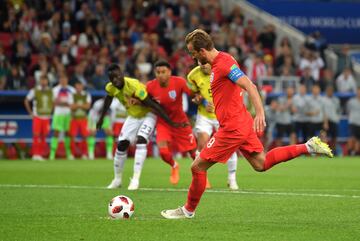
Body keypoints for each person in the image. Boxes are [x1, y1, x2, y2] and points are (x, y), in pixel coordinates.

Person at [161, 29, 333, 219]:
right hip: (241, 122)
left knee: (197, 167)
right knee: (261, 163)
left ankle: (187, 211)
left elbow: (250, 85)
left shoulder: (224, 64)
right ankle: (308, 147)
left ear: (202, 51)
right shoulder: (222, 60)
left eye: (192, 53)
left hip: (233, 127)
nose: (192, 57)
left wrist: (260, 112)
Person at [97, 63, 186, 190]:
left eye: (117, 77)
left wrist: (171, 122)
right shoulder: (111, 87)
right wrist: (101, 118)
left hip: (148, 115)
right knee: (121, 145)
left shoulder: (134, 86)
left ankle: (135, 179)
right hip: (133, 116)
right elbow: (108, 99)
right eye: (112, 79)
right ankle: (117, 179)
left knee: (141, 139)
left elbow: (153, 105)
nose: (115, 81)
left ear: (122, 74)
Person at [187, 62, 239, 190]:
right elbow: (193, 94)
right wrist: (199, 99)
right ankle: (202, 179)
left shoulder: (223, 70)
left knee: (230, 146)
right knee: (202, 146)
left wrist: (219, 104)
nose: (202, 65)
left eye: (205, 63)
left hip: (224, 115)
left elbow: (234, 90)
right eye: (200, 62)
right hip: (204, 116)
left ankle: (232, 179)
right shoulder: (192, 75)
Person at [146, 59, 197, 186]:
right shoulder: (150, 86)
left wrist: (198, 97)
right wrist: (135, 100)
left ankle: (201, 177)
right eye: (158, 72)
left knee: (193, 153)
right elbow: (142, 98)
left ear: (169, 72)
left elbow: (193, 94)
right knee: (163, 152)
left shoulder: (179, 82)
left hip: (181, 123)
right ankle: (174, 165)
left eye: (163, 71)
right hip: (163, 123)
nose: (161, 75)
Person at [24, 75, 53, 161]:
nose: (44, 82)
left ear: (47, 81)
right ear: (40, 81)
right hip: (38, 116)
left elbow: (53, 101)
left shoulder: (50, 91)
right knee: (36, 136)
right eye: (42, 80)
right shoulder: (34, 90)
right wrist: (30, 113)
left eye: (45, 80)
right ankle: (35, 154)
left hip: (46, 116)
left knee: (44, 136)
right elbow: (26, 100)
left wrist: (51, 111)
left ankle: (40, 154)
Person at [49, 75, 75, 160]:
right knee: (56, 132)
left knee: (67, 133)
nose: (63, 81)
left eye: (65, 79)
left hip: (67, 114)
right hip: (58, 114)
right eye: (62, 79)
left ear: (67, 80)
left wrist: (63, 103)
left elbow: (72, 104)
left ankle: (68, 153)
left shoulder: (72, 90)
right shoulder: (55, 90)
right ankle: (52, 154)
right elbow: (54, 102)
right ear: (59, 80)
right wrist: (66, 104)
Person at [69, 81, 91, 158]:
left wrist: (77, 105)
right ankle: (72, 154)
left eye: (80, 86)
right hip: (74, 119)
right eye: (77, 86)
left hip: (83, 119)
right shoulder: (71, 95)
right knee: (72, 136)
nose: (78, 87)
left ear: (82, 86)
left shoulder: (86, 94)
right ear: (75, 87)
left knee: (85, 136)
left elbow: (87, 107)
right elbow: (71, 107)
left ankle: (84, 154)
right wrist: (82, 105)